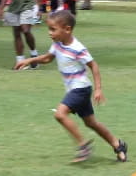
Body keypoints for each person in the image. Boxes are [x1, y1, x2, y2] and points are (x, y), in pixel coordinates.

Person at [14, 10, 128, 163]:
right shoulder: (57, 44)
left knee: (60, 114)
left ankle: (83, 146)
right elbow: (48, 59)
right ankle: (118, 145)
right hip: (75, 89)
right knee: (91, 123)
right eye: (49, 29)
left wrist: (98, 88)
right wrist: (28, 61)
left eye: (53, 29)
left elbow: (93, 65)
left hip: (80, 88)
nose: (49, 33)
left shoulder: (77, 48)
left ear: (67, 29)